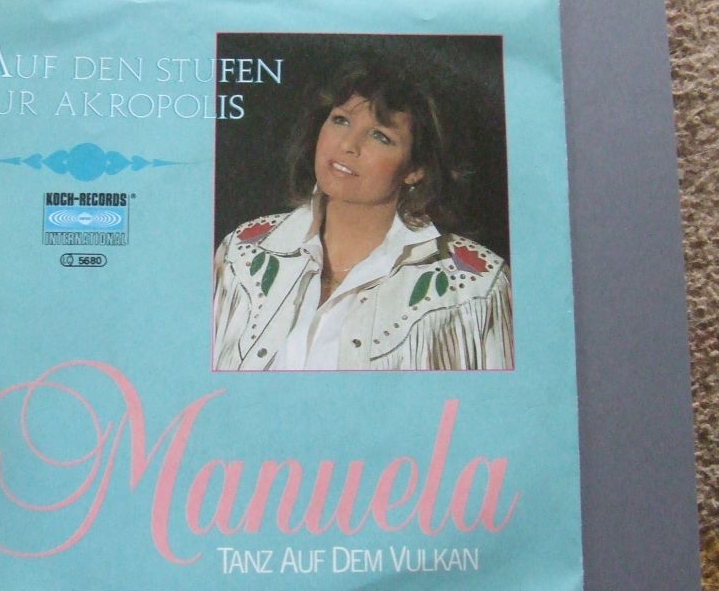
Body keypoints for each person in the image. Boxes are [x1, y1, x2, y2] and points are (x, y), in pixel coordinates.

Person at [213, 54, 513, 371]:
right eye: (341, 120)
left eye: (380, 136)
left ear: (416, 169)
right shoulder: (241, 253)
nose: (348, 145)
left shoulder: (479, 287)